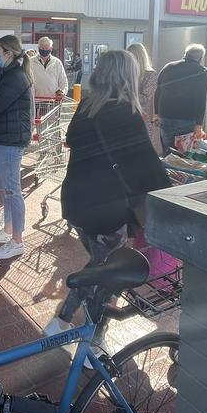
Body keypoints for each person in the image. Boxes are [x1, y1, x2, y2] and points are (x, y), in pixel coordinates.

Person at [45, 50, 172, 354]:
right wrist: (171, 194)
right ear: (127, 75)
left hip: (76, 202)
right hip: (106, 208)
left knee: (99, 265)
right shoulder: (124, 112)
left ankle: (60, 323)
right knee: (109, 275)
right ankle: (92, 344)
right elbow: (146, 166)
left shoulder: (86, 105)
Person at [0, 35, 33, 260]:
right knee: (7, 189)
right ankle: (8, 231)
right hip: (3, 137)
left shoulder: (15, 77)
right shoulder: (8, 74)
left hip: (10, 140)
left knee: (12, 191)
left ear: (9, 53)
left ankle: (17, 240)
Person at [153, 43, 207, 153]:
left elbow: (158, 91)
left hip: (165, 117)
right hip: (186, 119)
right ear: (201, 58)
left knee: (168, 153)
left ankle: (167, 169)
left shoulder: (168, 66)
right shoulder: (202, 71)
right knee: (183, 155)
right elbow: (200, 98)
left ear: (185, 54)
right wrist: (199, 124)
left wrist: (156, 114)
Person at [127, 42, 161, 154]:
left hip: (143, 119)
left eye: (131, 56)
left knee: (143, 150)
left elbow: (145, 98)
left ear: (138, 57)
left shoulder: (150, 75)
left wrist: (126, 93)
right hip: (126, 116)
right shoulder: (127, 73)